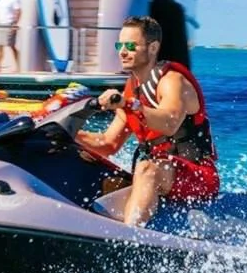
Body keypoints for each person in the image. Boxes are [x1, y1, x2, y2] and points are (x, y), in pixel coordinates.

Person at [76, 15, 219, 227]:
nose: (122, 51)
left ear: (152, 48)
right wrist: (68, 133)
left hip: (198, 177)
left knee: (146, 169)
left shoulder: (172, 81)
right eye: (120, 45)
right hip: (163, 175)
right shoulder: (132, 88)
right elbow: (108, 143)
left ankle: (130, 241)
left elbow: (169, 123)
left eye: (131, 45)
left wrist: (129, 105)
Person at [0, 0, 21, 73]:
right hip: (2, 24)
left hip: (10, 23)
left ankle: (17, 67)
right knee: (0, 45)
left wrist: (15, 24)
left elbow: (18, 11)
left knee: (11, 46)